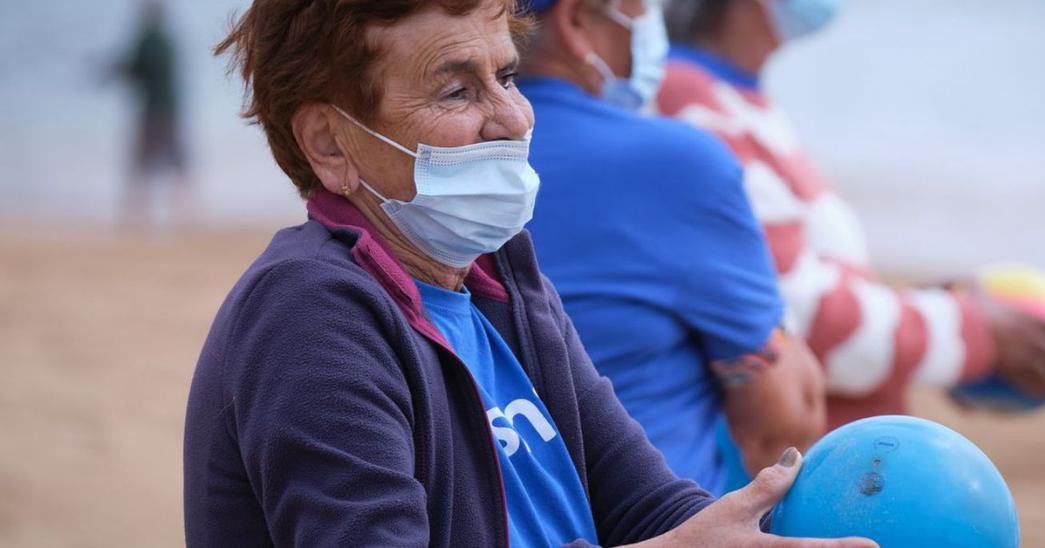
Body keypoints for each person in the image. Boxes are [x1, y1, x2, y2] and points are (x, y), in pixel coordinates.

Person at [183, 0, 876, 546]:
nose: (512, 117)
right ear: (330, 143)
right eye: (457, 91)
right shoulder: (310, 313)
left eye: (507, 76)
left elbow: (648, 505)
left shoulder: (500, 281)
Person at [657, 0, 1045, 427]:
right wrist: (971, 334)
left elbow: (795, 284)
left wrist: (924, 312)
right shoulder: (691, 102)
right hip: (789, 474)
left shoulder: (733, 97)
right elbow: (790, 321)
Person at [517, 0, 827, 494]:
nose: (651, 23)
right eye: (642, 6)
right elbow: (783, 423)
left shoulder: (426, 163)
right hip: (660, 517)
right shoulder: (678, 164)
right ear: (575, 22)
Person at [112, 0, 194, 228]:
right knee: (178, 163)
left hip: (153, 111)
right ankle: (188, 213)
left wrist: (114, 70)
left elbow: (135, 69)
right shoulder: (167, 41)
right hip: (171, 109)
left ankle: (137, 214)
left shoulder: (149, 40)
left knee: (141, 164)